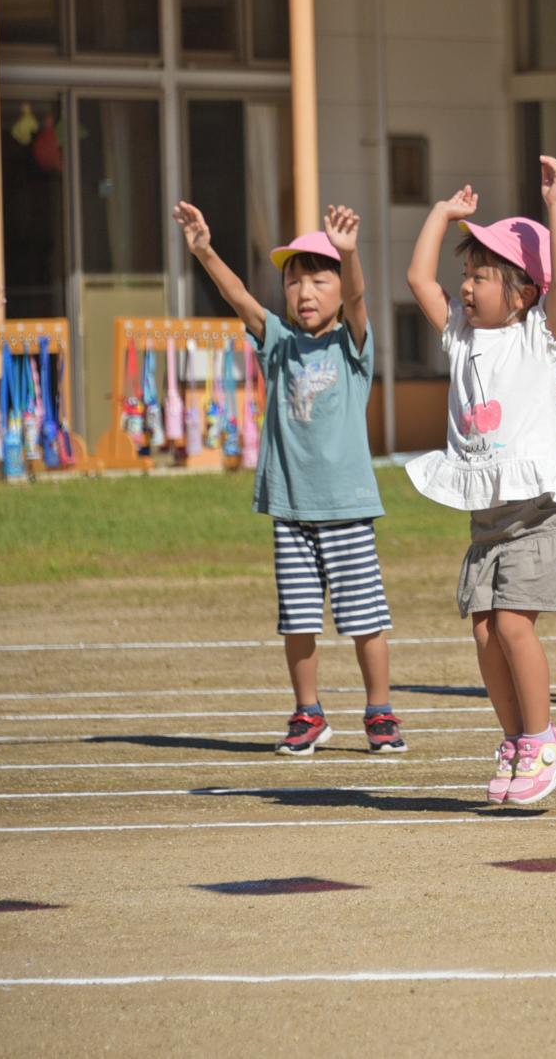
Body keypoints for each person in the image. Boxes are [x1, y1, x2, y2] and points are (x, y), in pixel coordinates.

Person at [405, 159, 556, 805]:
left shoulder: (538, 335)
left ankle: (547, 737)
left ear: (522, 290)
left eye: (482, 276)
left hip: (539, 511)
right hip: (489, 518)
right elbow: (417, 276)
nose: (465, 286)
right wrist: (442, 214)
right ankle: (519, 741)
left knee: (516, 626)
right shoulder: (461, 337)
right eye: (466, 274)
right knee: (485, 630)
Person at [174, 201, 402, 756]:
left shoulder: (352, 346)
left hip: (346, 507)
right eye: (294, 280)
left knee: (364, 620)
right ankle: (309, 713)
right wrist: (204, 250)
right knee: (298, 620)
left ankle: (380, 710)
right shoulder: (278, 342)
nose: (304, 291)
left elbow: (357, 299)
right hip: (291, 509)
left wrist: (348, 255)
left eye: (317, 279)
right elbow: (238, 298)